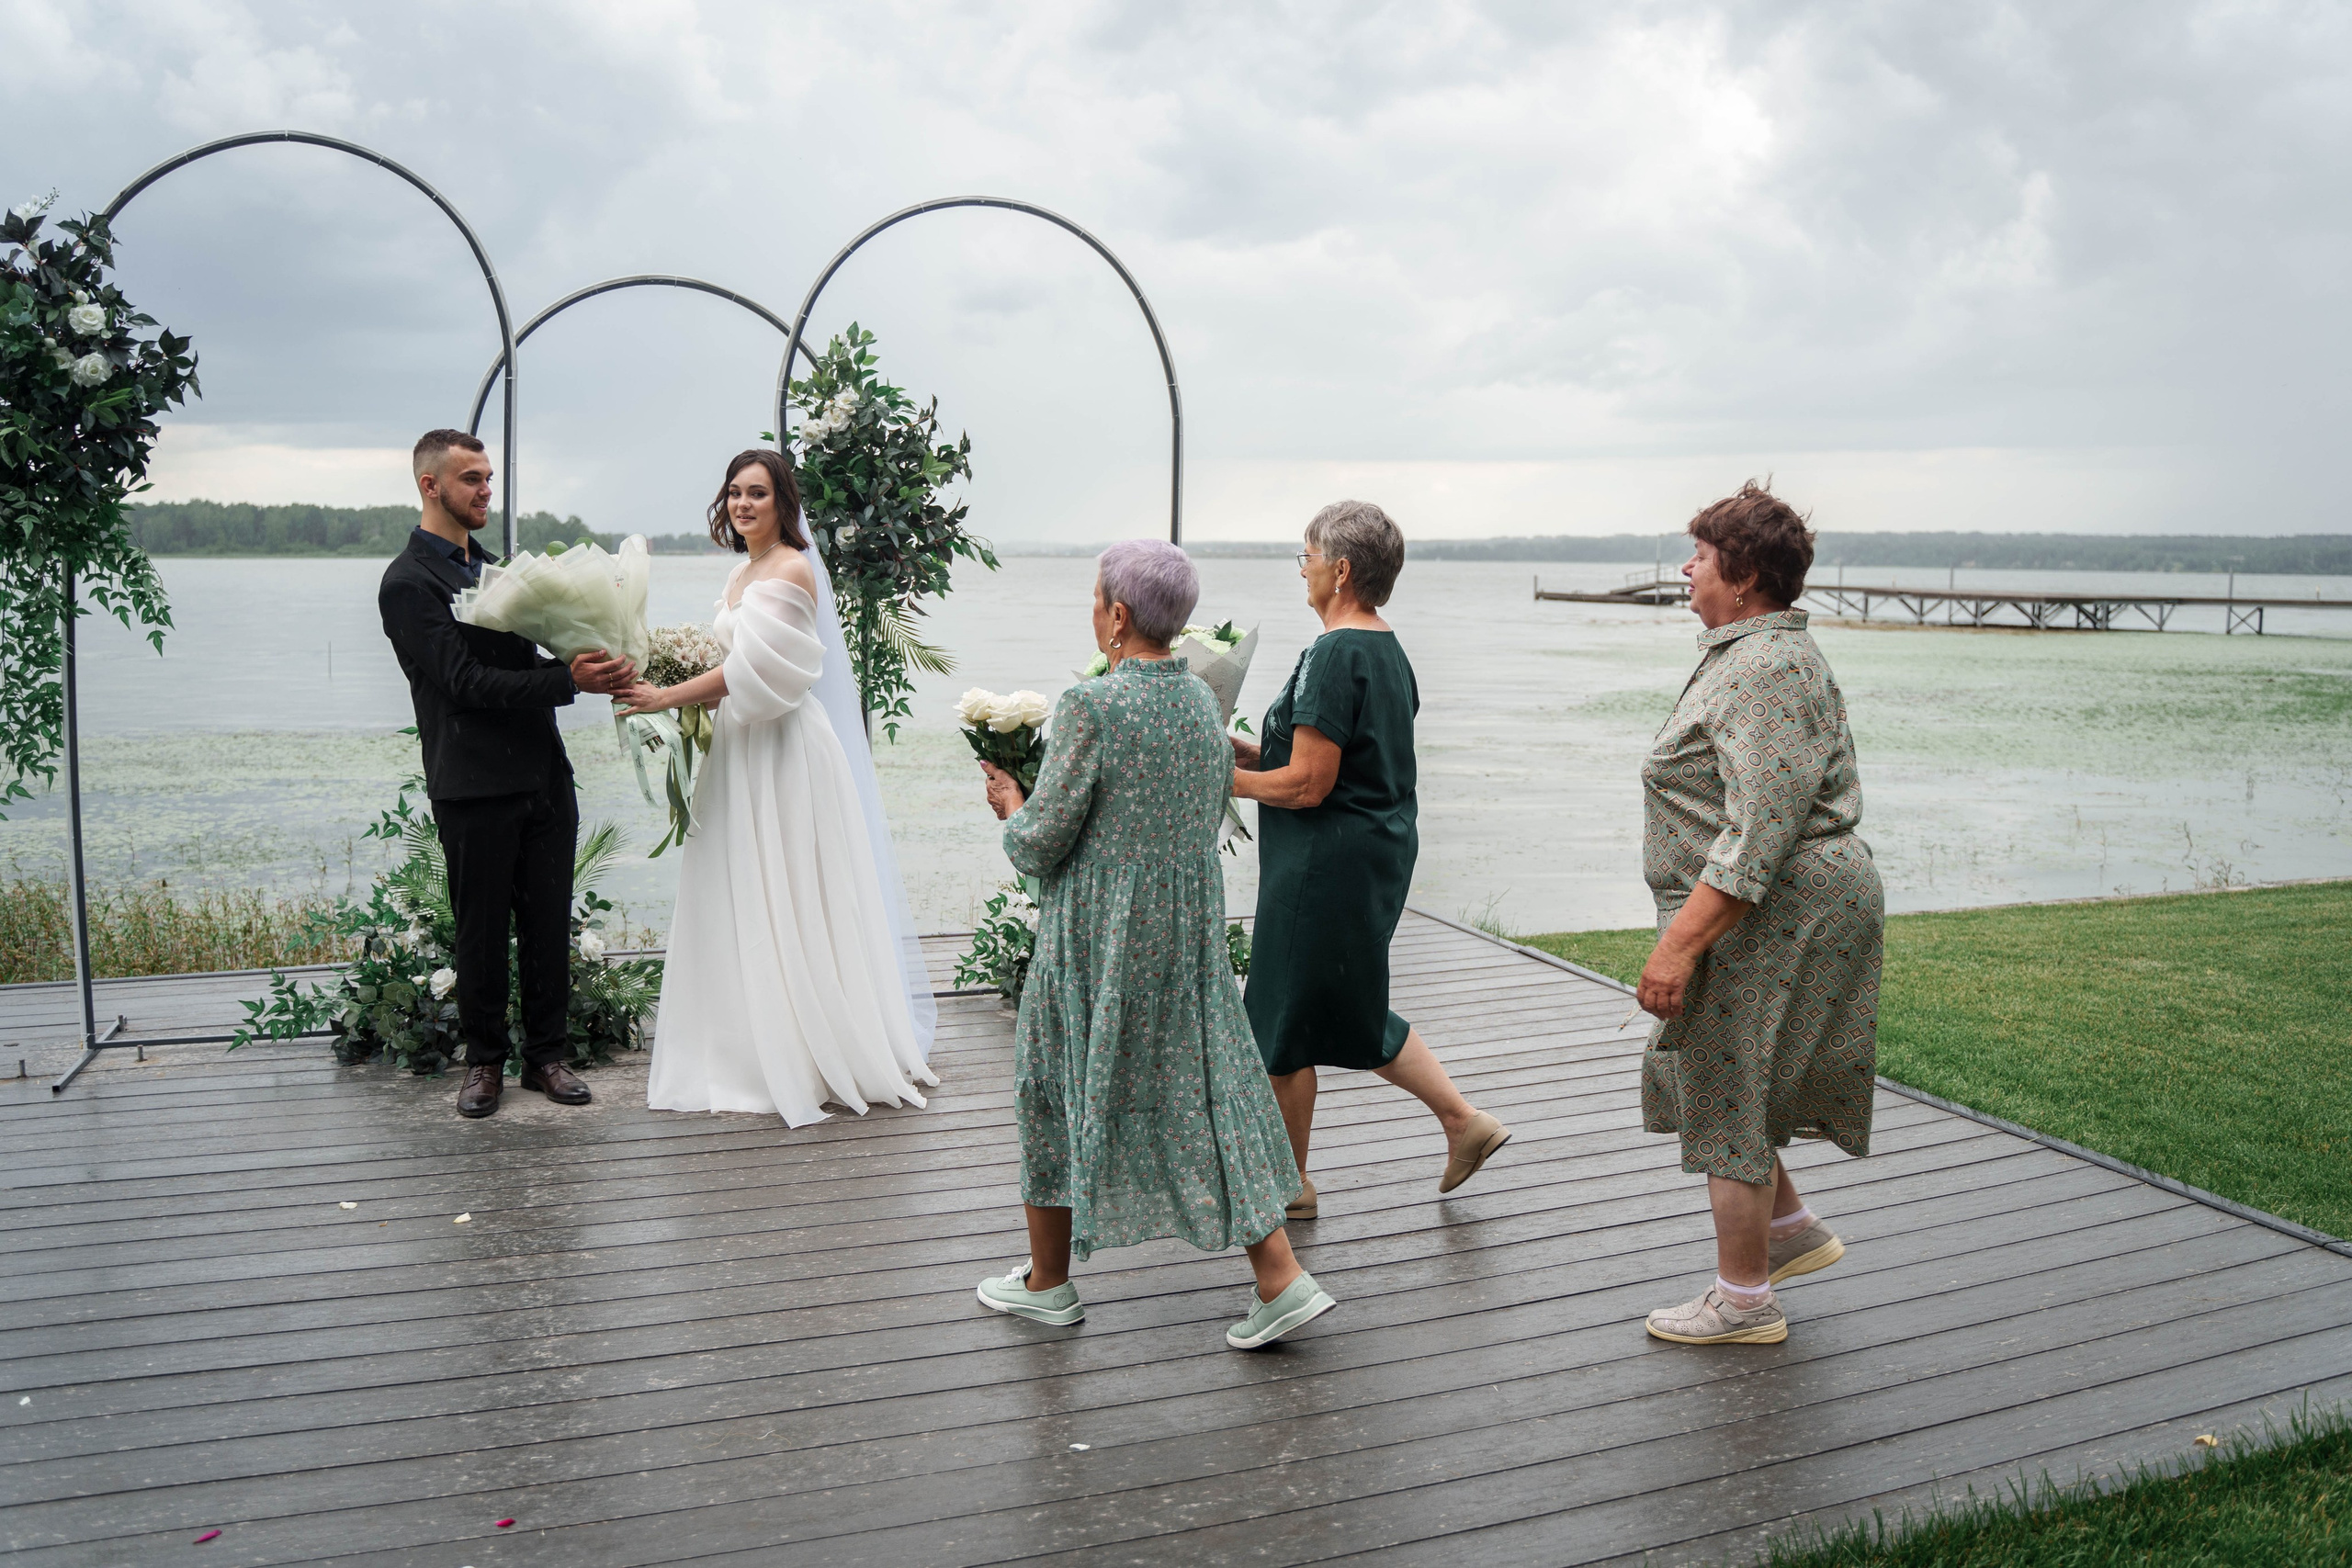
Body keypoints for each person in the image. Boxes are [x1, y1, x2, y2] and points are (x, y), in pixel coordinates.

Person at [972, 540, 1334, 1349]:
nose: (1092, 606)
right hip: (1186, 933)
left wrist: (1011, 801)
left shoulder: (1090, 707)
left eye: (1096, 595)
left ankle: (1048, 1282)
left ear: (1119, 616)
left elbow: (1040, 842)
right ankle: (1278, 1275)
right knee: (1210, 1091)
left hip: (1097, 939)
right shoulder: (1201, 706)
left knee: (1050, 1078)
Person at [617, 449, 938, 1125]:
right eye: (734, 493)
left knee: (790, 886)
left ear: (782, 503)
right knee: (739, 885)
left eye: (757, 493)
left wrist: (664, 695)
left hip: (783, 750)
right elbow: (730, 669)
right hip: (740, 747)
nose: (742, 504)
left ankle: (802, 1049)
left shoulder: (791, 568)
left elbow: (752, 668)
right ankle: (741, 1042)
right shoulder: (741, 570)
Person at [1635, 481, 1883, 1347]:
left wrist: (1679, 946)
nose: (1685, 568)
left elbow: (1759, 831)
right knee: (1709, 1071)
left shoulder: (1767, 666)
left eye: (1698, 556)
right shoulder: (1751, 652)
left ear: (1740, 576)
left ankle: (1744, 1301)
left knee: (1729, 1087)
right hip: (1768, 905)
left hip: (1772, 909)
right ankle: (1787, 1232)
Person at [1231, 501, 1510, 1220]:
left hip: (1324, 863)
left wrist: (1210, 778)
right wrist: (1250, 755)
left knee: (1282, 1018)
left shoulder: (1335, 652)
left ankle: (1288, 1186)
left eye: (1308, 556)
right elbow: (1339, 764)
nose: (1304, 569)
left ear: (1342, 569)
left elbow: (1309, 785)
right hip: (1371, 851)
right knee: (1342, 1007)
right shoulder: (1385, 649)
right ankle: (1461, 1121)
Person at [378, 429, 639, 1120]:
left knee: (549, 920)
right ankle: (484, 1062)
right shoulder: (407, 583)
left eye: (489, 477)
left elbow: (537, 659)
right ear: (430, 485)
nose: (485, 490)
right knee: (482, 930)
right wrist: (566, 680)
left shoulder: (500, 570)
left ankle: (547, 1057)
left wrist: (605, 656)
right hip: (472, 781)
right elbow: (462, 681)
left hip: (545, 775)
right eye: (471, 479)